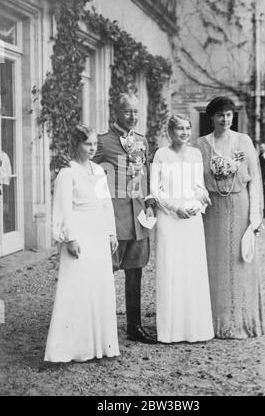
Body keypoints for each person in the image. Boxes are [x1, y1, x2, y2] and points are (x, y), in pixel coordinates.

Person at [44, 125, 120, 362]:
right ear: (76, 144)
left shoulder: (98, 170)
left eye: (95, 144)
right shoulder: (67, 173)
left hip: (98, 233)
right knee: (77, 288)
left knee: (98, 287)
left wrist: (111, 232)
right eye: (88, 144)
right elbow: (62, 209)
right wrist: (70, 238)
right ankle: (73, 348)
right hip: (80, 235)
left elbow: (106, 204)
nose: (92, 148)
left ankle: (100, 345)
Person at [197, 96, 264, 339]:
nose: (225, 119)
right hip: (213, 209)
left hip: (239, 205)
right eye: (219, 115)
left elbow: (254, 179)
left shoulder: (243, 141)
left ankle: (240, 322)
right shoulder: (201, 145)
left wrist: (255, 216)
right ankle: (212, 322)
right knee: (213, 261)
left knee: (239, 260)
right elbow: (195, 181)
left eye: (228, 114)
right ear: (211, 118)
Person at [93, 92, 156, 344]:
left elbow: (146, 177)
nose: (133, 117)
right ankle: (102, 327)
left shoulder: (142, 141)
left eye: (136, 112)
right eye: (128, 111)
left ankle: (134, 326)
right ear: (116, 112)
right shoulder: (101, 142)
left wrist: (150, 204)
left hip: (139, 218)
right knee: (106, 272)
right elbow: (89, 176)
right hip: (113, 219)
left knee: (135, 272)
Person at [150, 114, 214, 343]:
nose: (185, 132)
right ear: (170, 131)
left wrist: (197, 204)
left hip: (192, 217)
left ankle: (195, 328)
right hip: (169, 217)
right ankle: (170, 331)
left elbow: (199, 186)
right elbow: (155, 191)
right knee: (171, 268)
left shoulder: (196, 154)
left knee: (192, 268)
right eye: (180, 129)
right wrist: (175, 208)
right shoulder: (161, 155)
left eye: (188, 128)